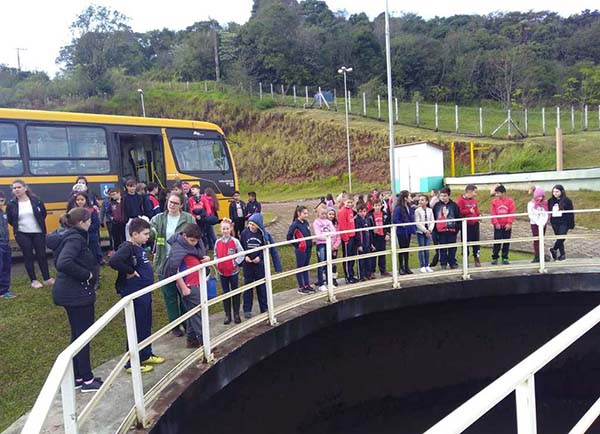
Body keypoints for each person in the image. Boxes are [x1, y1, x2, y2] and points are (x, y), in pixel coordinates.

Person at [46, 207, 102, 392]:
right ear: (83, 221)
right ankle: (86, 379)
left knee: (77, 335)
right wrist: (87, 275)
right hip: (76, 295)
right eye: (90, 219)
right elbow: (64, 262)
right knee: (83, 337)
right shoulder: (75, 239)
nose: (92, 222)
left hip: (70, 293)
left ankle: (78, 376)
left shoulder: (69, 236)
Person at [109, 218, 165, 373]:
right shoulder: (128, 247)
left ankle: (146, 353)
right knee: (136, 326)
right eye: (145, 234)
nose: (148, 237)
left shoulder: (139, 247)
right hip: (135, 294)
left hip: (145, 293)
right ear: (134, 234)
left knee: (145, 324)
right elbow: (114, 261)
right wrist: (130, 271)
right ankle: (132, 363)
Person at [150, 192, 195, 337]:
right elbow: (150, 234)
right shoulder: (158, 218)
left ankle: (186, 322)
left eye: (175, 203)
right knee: (169, 296)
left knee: (184, 294)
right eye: (170, 202)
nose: (172, 205)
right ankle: (174, 325)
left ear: (181, 205)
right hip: (164, 262)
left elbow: (196, 237)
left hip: (183, 263)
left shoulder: (188, 218)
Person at [163, 223, 210, 348]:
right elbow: (175, 268)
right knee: (198, 314)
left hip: (195, 282)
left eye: (196, 241)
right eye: (192, 240)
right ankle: (204, 342)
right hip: (189, 285)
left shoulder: (189, 246)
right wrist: (184, 287)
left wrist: (205, 260)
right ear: (184, 236)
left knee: (192, 313)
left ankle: (192, 340)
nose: (194, 243)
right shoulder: (178, 248)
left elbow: (194, 258)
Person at [6, 179, 53, 288]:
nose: (16, 190)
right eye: (14, 188)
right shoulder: (11, 204)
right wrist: (20, 227)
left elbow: (43, 214)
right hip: (22, 233)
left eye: (19, 187)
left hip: (38, 232)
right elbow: (10, 220)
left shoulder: (36, 200)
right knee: (28, 256)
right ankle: (34, 280)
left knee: (41, 255)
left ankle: (47, 278)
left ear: (25, 188)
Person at [240, 213, 282, 318]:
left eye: (253, 225)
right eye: (250, 224)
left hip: (259, 265)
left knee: (262, 287)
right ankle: (247, 309)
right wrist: (245, 257)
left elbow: (269, 249)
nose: (251, 226)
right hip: (248, 264)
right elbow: (241, 248)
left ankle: (264, 307)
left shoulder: (263, 235)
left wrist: (260, 257)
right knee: (248, 286)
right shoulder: (244, 233)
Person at [214, 218, 245, 324]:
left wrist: (235, 263)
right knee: (225, 293)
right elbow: (215, 255)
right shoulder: (217, 242)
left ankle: (236, 313)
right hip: (222, 273)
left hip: (233, 272)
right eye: (223, 229)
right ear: (220, 229)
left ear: (231, 229)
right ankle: (227, 314)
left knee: (235, 291)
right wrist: (217, 263)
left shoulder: (235, 241)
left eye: (227, 229)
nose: (225, 231)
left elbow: (241, 254)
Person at [69, 192, 103, 265]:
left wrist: (87, 229)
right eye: (78, 200)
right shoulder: (73, 211)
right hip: (79, 237)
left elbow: (96, 224)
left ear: (86, 200)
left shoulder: (92, 210)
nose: (80, 201)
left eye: (82, 199)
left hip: (91, 237)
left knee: (93, 255)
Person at [287, 205, 314, 294]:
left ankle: (307, 284)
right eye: (304, 213)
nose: (306, 215)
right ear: (299, 213)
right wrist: (297, 245)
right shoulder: (295, 224)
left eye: (307, 213)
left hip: (308, 248)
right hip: (301, 250)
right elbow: (289, 237)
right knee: (300, 267)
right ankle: (301, 287)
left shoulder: (305, 223)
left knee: (306, 267)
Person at [432, 187, 460, 270]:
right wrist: (435, 230)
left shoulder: (454, 205)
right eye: (441, 196)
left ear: (449, 196)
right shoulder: (436, 206)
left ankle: (452, 262)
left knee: (452, 248)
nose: (443, 198)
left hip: (452, 230)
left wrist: (456, 229)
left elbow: (458, 217)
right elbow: (434, 217)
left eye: (445, 196)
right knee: (443, 248)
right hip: (441, 231)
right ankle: (443, 263)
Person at [456, 184, 482, 267]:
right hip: (465, 224)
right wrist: (468, 211)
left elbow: (476, 210)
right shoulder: (460, 200)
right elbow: (459, 212)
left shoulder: (474, 200)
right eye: (475, 192)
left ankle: (476, 258)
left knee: (476, 242)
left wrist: (479, 215)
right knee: (465, 242)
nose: (476, 194)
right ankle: (465, 259)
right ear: (469, 191)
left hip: (475, 224)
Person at [548, 184, 575, 261]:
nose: (555, 193)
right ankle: (562, 254)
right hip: (554, 221)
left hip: (564, 221)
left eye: (557, 191)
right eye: (553, 192)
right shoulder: (551, 201)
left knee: (562, 236)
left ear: (561, 192)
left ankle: (553, 249)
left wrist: (571, 223)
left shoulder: (567, 201)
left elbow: (571, 213)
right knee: (558, 237)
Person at [491, 185, 516, 265]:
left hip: (506, 225)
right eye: (496, 193)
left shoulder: (510, 201)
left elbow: (512, 212)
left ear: (503, 193)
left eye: (498, 193)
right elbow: (493, 213)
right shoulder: (494, 202)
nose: (497, 195)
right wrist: (495, 223)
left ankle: (505, 257)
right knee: (497, 241)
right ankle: (495, 257)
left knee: (506, 241)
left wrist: (509, 223)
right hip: (498, 225)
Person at [313, 206, 336, 292]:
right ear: (318, 213)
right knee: (321, 264)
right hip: (321, 245)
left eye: (325, 214)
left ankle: (329, 281)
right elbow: (318, 234)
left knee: (328, 263)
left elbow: (334, 231)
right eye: (322, 213)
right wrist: (327, 236)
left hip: (328, 244)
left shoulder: (328, 222)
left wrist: (328, 236)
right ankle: (321, 283)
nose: (324, 215)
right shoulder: (316, 222)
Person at [393, 190, 416, 275]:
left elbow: (411, 218)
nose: (411, 198)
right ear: (405, 198)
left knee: (407, 249)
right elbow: (395, 219)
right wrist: (403, 225)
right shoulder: (398, 208)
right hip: (402, 232)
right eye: (409, 196)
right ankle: (401, 267)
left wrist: (412, 228)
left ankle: (406, 266)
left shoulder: (409, 207)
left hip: (408, 231)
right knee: (402, 249)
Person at [338, 196, 358, 284]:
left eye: (351, 202)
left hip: (352, 236)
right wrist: (345, 238)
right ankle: (347, 276)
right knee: (347, 257)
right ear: (344, 202)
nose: (350, 204)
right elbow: (342, 226)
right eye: (348, 202)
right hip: (347, 238)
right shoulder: (342, 211)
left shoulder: (350, 211)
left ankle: (351, 274)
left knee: (352, 256)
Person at [370, 198, 391, 277]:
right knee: (373, 254)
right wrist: (372, 231)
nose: (377, 207)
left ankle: (383, 270)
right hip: (375, 237)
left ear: (381, 205)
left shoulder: (385, 215)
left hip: (382, 236)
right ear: (373, 206)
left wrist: (387, 234)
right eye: (376, 206)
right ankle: (372, 271)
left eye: (379, 205)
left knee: (382, 254)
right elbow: (368, 226)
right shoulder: (370, 216)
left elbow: (388, 225)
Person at [527, 186, 548, 263]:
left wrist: (543, 222)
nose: (540, 198)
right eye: (538, 196)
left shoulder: (545, 203)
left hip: (543, 224)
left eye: (541, 196)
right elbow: (531, 215)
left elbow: (546, 214)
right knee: (536, 240)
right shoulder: (531, 204)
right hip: (535, 224)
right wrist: (538, 222)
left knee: (542, 239)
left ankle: (542, 255)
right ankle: (537, 256)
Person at [415, 194, 435, 273]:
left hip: (428, 232)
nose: (420, 201)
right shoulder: (417, 211)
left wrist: (429, 230)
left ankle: (427, 265)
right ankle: (422, 265)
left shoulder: (430, 210)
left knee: (427, 249)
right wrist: (425, 230)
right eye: (420, 200)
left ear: (427, 202)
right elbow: (417, 222)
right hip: (421, 232)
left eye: (422, 200)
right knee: (422, 248)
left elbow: (432, 221)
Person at [0, 191, 14, 299]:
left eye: (2, 201)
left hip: (5, 243)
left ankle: (4, 290)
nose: (0, 203)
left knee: (6, 267)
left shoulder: (3, 213)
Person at [354, 204, 374, 281]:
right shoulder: (356, 220)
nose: (362, 213)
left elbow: (370, 231)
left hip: (368, 242)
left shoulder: (368, 219)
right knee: (361, 260)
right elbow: (357, 233)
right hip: (361, 243)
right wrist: (359, 244)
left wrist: (371, 243)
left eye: (364, 211)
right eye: (360, 211)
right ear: (358, 212)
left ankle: (368, 274)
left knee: (368, 259)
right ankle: (361, 276)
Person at [327, 207, 341, 286]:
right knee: (326, 263)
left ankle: (333, 278)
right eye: (330, 214)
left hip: (334, 247)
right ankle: (326, 278)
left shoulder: (336, 224)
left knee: (333, 264)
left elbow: (338, 236)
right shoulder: (324, 224)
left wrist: (335, 246)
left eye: (333, 214)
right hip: (327, 246)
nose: (331, 216)